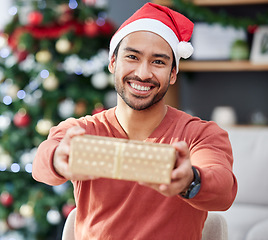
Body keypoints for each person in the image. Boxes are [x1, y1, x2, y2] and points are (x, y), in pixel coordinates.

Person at [32, 3, 237, 239]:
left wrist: (190, 181)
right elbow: (41, 163)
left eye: (158, 62)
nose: (143, 73)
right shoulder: (82, 131)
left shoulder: (201, 134)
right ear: (112, 62)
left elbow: (223, 190)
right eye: (132, 57)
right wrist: (58, 159)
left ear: (172, 74)